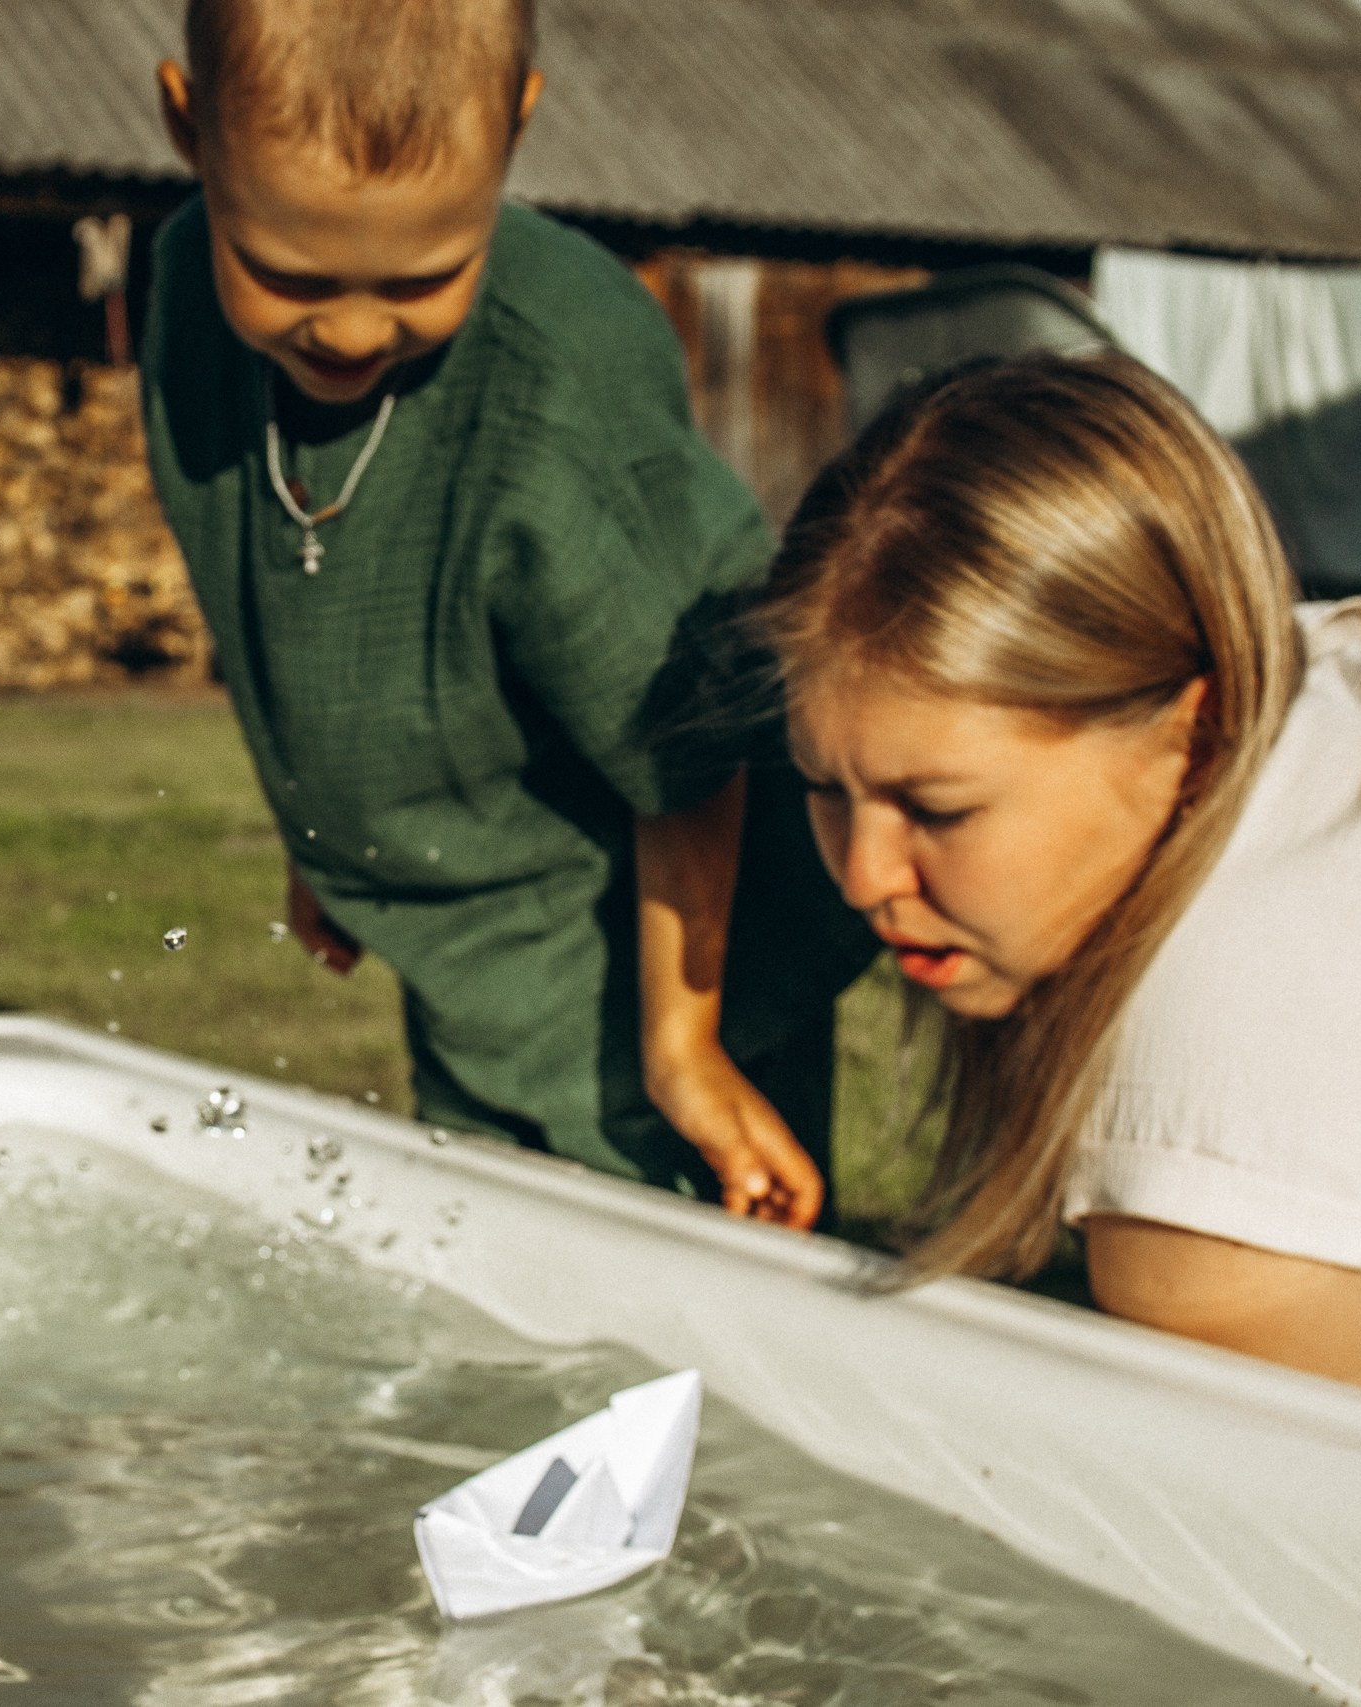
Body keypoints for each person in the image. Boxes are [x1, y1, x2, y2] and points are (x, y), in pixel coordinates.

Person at [140, 0, 871, 1222]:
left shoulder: (560, 375)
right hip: (470, 934)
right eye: (288, 275)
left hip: (673, 954)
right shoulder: (182, 301)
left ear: (514, 132)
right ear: (187, 127)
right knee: (498, 1273)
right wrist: (322, 826)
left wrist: (683, 1051)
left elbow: (688, 737)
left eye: (425, 277)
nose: (355, 328)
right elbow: (283, 582)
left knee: (682, 1307)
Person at [761, 353, 1361, 1385]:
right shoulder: (1309, 687)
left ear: (1194, 731)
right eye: (823, 787)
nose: (864, 878)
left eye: (935, 808)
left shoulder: (1203, 1169)